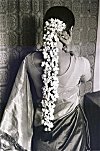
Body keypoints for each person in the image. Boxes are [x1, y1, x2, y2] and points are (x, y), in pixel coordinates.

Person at [0, 6, 91, 151]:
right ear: (70, 31)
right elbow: (87, 78)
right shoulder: (82, 63)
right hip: (73, 134)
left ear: (45, 30)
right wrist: (72, 48)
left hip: (42, 135)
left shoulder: (29, 61)